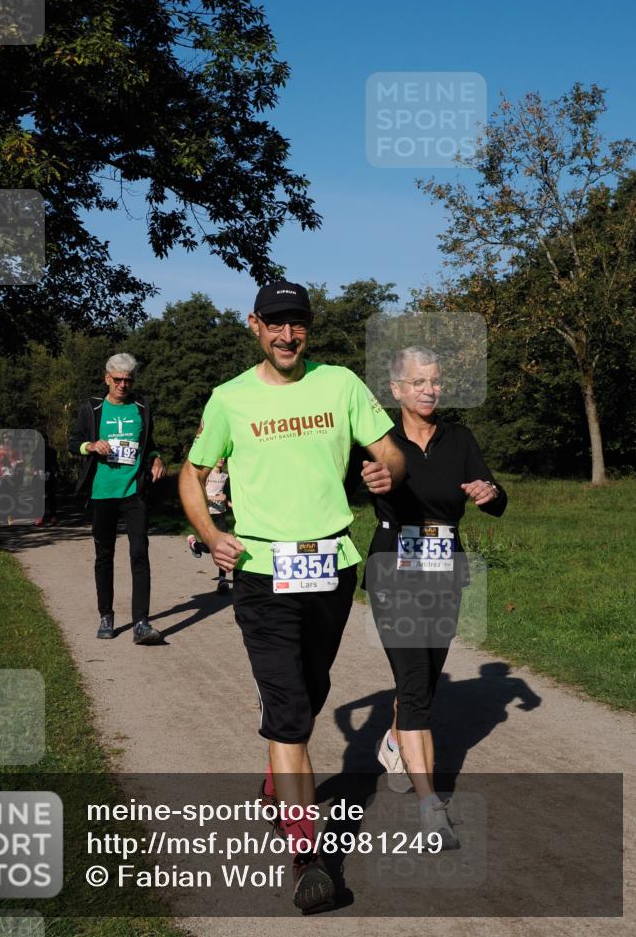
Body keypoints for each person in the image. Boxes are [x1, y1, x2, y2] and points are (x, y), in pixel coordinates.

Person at [179, 282, 405, 914]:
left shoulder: (340, 385)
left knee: (311, 689)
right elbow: (192, 475)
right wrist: (210, 532)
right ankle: (309, 856)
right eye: (274, 324)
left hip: (331, 564)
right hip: (259, 569)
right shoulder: (229, 398)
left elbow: (391, 452)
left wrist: (390, 471)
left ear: (308, 328)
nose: (285, 335)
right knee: (289, 711)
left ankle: (280, 776)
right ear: (255, 326)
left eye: (296, 325)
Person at [365, 346, 507, 848]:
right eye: (419, 382)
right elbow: (341, 487)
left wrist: (489, 494)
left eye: (436, 382)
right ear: (398, 389)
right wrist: (369, 479)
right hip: (393, 572)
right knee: (415, 685)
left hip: (446, 573)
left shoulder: (458, 439)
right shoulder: (379, 442)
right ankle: (431, 806)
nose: (430, 389)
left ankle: (392, 742)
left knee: (422, 680)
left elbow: (496, 497)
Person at [69, 353, 165, 644]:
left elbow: (149, 444)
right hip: (102, 493)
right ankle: (106, 616)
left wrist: (156, 458)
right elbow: (73, 443)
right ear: (107, 379)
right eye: (118, 379)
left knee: (139, 554)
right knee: (104, 556)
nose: (124, 385)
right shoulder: (92, 408)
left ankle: (141, 623)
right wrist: (90, 445)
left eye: (129, 380)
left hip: (133, 492)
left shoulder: (142, 407)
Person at [186, 458, 232, 594]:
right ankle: (195, 545)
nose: (221, 459)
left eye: (224, 457)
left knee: (224, 546)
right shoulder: (206, 475)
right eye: (219, 456)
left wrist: (230, 504)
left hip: (220, 514)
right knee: (212, 547)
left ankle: (222, 580)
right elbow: (199, 494)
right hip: (206, 514)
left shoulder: (225, 476)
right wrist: (217, 498)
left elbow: (224, 496)